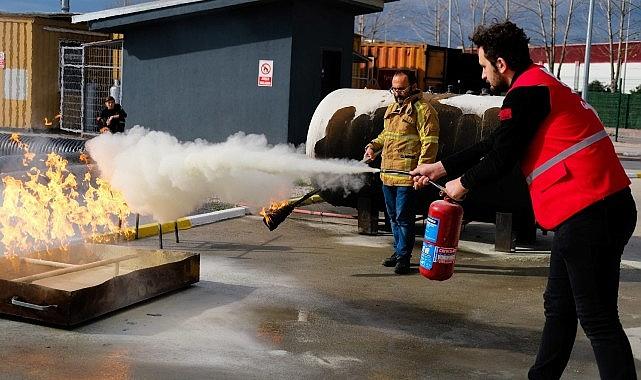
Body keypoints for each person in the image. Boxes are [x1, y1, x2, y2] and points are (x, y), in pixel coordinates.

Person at [410, 21, 637, 379]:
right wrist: (442, 167)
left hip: (590, 211)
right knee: (559, 306)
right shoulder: (540, 86)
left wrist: (462, 185)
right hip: (594, 209)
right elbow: (497, 142)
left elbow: (502, 159)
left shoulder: (527, 92)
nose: (483, 75)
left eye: (484, 66)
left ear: (501, 64)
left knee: (597, 318)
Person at [364, 71, 439, 275]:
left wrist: (422, 171)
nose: (397, 92)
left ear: (413, 86)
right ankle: (398, 252)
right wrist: (372, 147)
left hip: (407, 176)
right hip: (388, 173)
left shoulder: (423, 110)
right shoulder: (392, 109)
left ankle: (404, 258)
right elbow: (385, 135)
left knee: (404, 218)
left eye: (401, 88)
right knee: (392, 217)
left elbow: (429, 143)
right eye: (394, 89)